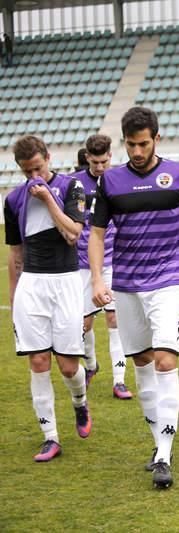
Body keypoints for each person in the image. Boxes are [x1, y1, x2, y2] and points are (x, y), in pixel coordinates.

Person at [89, 107, 179, 489]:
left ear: (157, 139)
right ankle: (157, 445)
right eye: (130, 145)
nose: (136, 151)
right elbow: (97, 234)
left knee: (165, 360)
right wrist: (98, 279)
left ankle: (164, 454)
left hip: (167, 280)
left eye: (143, 143)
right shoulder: (110, 181)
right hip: (127, 284)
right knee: (143, 364)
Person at [5, 135, 90, 462]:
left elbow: (72, 235)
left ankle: (80, 403)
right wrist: (15, 302)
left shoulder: (72, 188)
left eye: (38, 168)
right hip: (33, 286)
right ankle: (50, 437)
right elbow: (16, 254)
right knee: (38, 361)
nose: (33, 177)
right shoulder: (13, 200)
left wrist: (48, 200)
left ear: (49, 158)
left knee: (68, 367)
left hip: (66, 283)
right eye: (27, 172)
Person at [73, 135, 131, 399]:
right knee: (83, 324)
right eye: (95, 162)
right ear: (87, 158)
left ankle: (119, 381)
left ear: (111, 155)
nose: (100, 167)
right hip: (83, 265)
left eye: (104, 161)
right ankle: (91, 365)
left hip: (113, 262)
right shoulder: (75, 184)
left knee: (114, 318)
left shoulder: (118, 180)